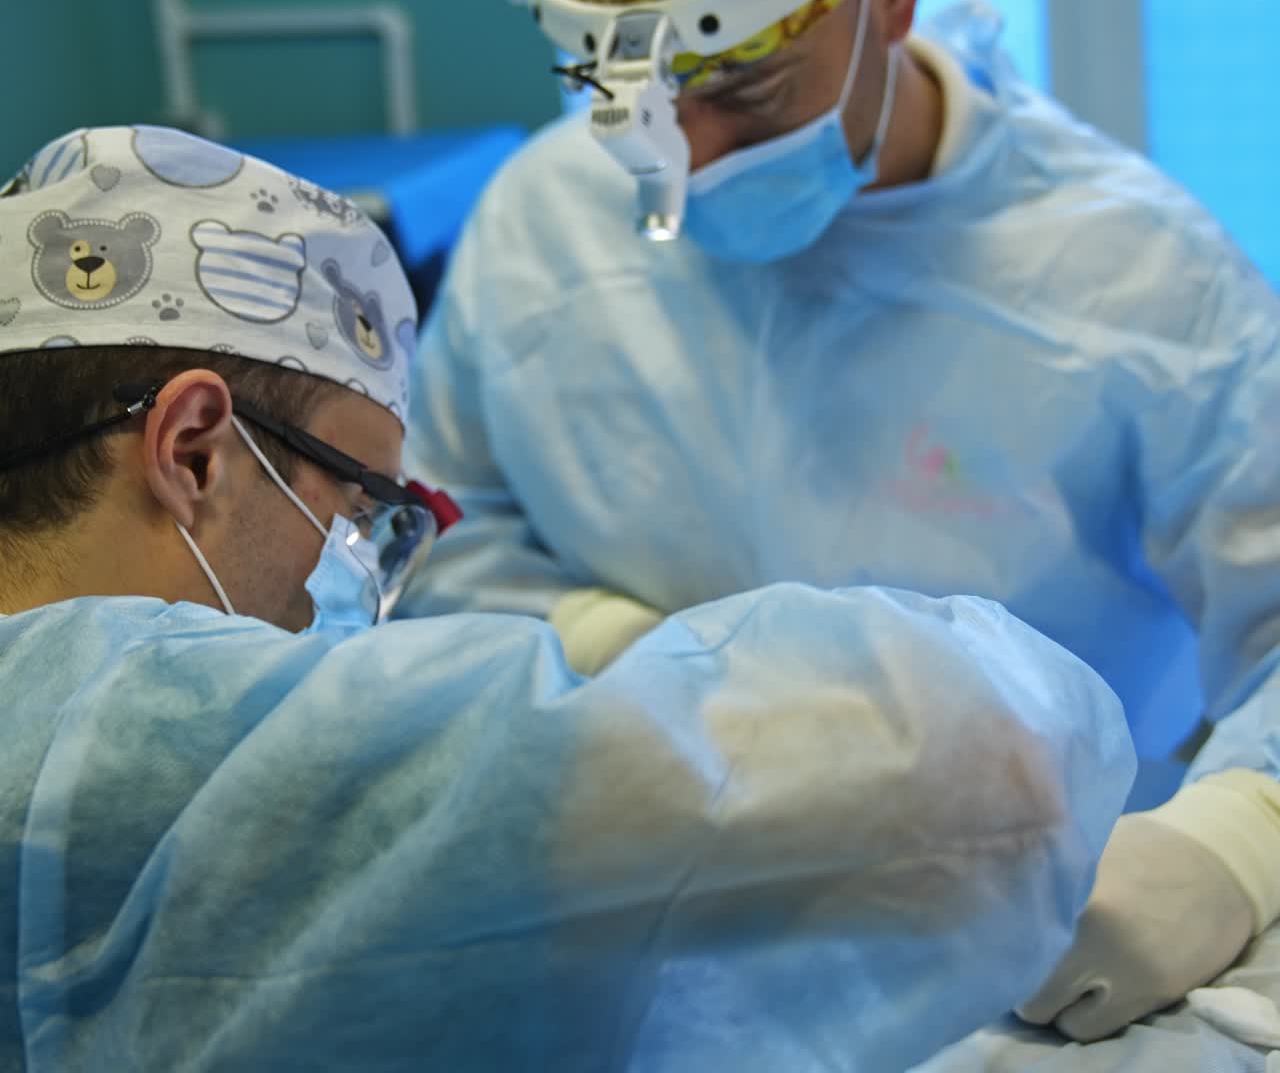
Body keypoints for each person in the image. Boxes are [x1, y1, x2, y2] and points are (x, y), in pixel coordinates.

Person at [402, 0, 1280, 1046]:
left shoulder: (1141, 287)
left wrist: (1235, 837)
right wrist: (607, 644)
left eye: (748, 95)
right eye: (628, 105)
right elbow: (435, 523)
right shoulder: (539, 226)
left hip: (1041, 956)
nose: (685, 163)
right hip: (636, 931)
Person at [0, 125, 1135, 1071]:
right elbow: (976, 755)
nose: (345, 581)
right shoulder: (150, 748)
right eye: (356, 506)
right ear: (194, 449)